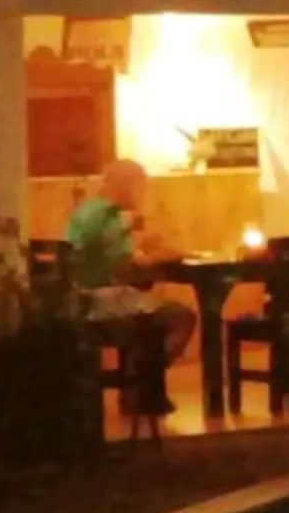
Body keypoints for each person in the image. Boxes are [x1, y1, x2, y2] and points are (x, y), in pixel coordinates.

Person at [62, 159, 196, 375]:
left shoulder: (85, 210)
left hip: (76, 301)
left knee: (147, 306)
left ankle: (140, 383)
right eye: (141, 186)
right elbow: (125, 268)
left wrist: (141, 249)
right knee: (181, 316)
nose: (143, 194)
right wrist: (166, 255)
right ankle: (145, 380)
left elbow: (103, 252)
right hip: (101, 304)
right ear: (127, 184)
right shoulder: (110, 215)